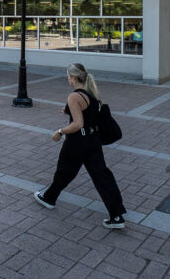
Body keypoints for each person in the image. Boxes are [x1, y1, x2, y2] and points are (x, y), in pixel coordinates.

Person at [34, 63, 127, 229]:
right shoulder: (92, 94)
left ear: (74, 77)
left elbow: (78, 124)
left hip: (77, 142)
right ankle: (117, 216)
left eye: (68, 76)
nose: (67, 79)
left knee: (64, 172)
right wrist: (67, 110)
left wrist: (60, 132)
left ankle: (48, 198)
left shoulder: (74, 96)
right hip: (93, 141)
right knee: (102, 176)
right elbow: (88, 114)